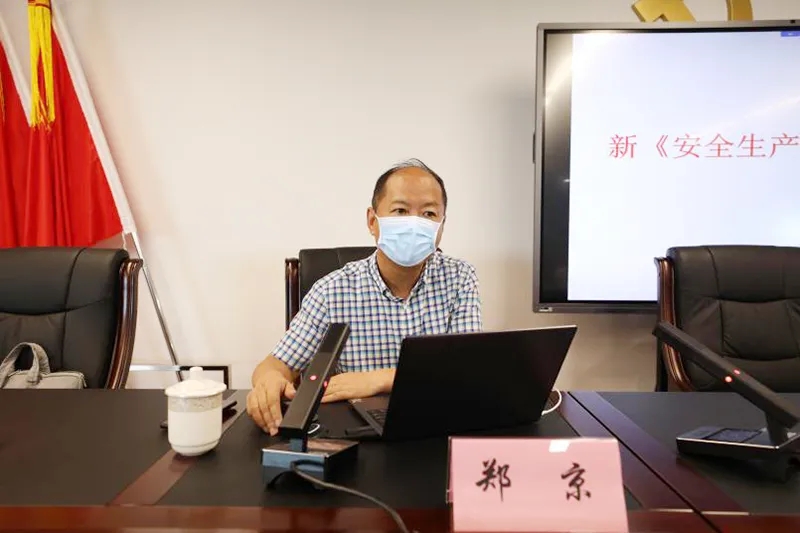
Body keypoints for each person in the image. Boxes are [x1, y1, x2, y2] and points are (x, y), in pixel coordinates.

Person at [247, 159, 482, 434]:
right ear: (373, 221)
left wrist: (380, 379)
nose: (414, 223)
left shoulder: (460, 278)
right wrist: (269, 382)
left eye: (429, 213)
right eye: (400, 210)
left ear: (441, 226)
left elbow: (467, 371)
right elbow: (275, 365)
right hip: (356, 435)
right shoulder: (331, 291)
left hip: (435, 429)